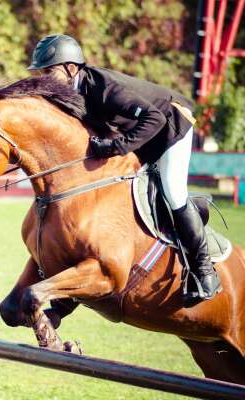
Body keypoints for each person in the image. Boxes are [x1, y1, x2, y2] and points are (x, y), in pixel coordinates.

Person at [28, 34, 221, 301]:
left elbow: (154, 118)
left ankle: (204, 271)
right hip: (143, 130)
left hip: (172, 122)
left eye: (49, 71)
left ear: (71, 68)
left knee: (174, 191)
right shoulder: (71, 92)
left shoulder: (104, 87)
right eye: (41, 72)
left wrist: (116, 147)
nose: (44, 79)